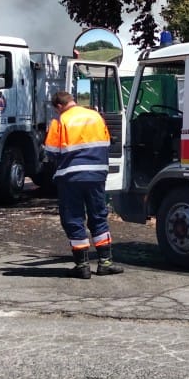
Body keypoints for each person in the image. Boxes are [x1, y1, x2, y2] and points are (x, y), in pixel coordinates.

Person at [44, 91, 122, 279]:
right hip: (96, 175)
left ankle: (82, 265)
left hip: (71, 177)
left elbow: (51, 152)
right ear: (73, 101)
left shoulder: (60, 121)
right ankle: (105, 263)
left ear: (58, 106)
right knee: (98, 215)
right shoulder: (95, 116)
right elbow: (107, 143)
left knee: (73, 217)